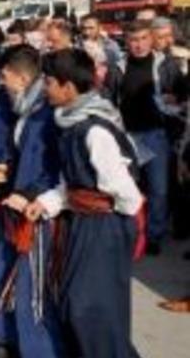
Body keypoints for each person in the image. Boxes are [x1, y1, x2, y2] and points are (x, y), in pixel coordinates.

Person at [34, 48, 143, 358]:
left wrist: (111, 219)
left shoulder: (94, 129)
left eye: (49, 82)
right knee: (76, 302)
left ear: (68, 87)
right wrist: (49, 202)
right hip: (83, 222)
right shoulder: (70, 124)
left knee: (91, 307)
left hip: (104, 225)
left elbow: (123, 190)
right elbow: (75, 181)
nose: (45, 88)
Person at [0, 45, 63, 358]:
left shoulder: (46, 113)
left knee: (32, 288)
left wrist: (28, 192)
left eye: (6, 76)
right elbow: (23, 156)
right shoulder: (21, 108)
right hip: (13, 201)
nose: (2, 82)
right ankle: (8, 340)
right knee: (4, 269)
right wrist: (3, 170)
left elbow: (53, 169)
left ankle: (40, 351)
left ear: (23, 77)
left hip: (36, 209)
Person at [119, 20, 187, 256]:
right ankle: (131, 234)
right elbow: (108, 97)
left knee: (159, 190)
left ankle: (153, 236)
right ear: (126, 42)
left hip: (156, 135)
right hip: (126, 137)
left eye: (143, 39)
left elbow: (182, 92)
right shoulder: (118, 65)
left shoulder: (165, 64)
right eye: (133, 40)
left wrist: (174, 98)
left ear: (151, 39)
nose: (138, 45)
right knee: (128, 189)